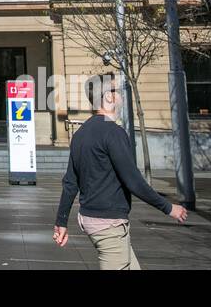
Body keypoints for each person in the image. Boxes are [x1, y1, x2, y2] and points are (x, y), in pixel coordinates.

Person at [53, 74, 188, 270]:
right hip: (108, 225)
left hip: (95, 219)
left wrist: (61, 221)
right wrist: (168, 208)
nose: (122, 97)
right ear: (109, 97)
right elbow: (133, 181)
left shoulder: (80, 134)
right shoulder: (114, 133)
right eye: (119, 91)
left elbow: (70, 182)